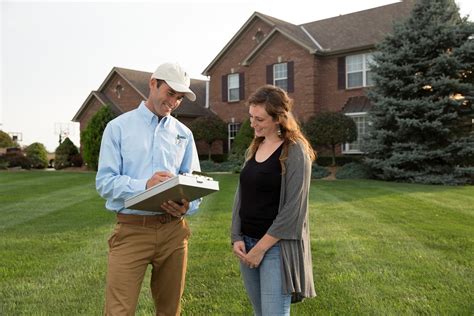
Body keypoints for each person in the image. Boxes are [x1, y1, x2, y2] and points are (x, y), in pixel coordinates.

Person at [96, 62, 201, 316]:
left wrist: (188, 204)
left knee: (170, 311)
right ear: (153, 84)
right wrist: (145, 185)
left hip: (174, 233)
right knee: (118, 311)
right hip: (131, 231)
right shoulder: (118, 128)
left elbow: (194, 180)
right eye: (170, 93)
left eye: (179, 98)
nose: (174, 102)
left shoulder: (184, 134)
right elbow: (105, 182)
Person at [231, 84, 317, 315]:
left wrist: (260, 249)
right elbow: (242, 196)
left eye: (259, 119)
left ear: (279, 118)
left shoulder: (295, 150)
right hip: (247, 243)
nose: (252, 124)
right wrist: (237, 237)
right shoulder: (255, 147)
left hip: (275, 248)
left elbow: (293, 211)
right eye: (251, 117)